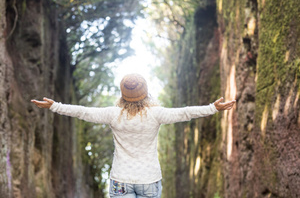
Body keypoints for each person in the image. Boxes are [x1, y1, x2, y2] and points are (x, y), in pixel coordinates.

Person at [31, 73, 235, 198]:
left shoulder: (113, 114)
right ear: (146, 93)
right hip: (149, 180)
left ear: (122, 95)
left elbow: (83, 112)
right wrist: (212, 108)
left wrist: (54, 106)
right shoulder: (156, 114)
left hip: (120, 180)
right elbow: (185, 113)